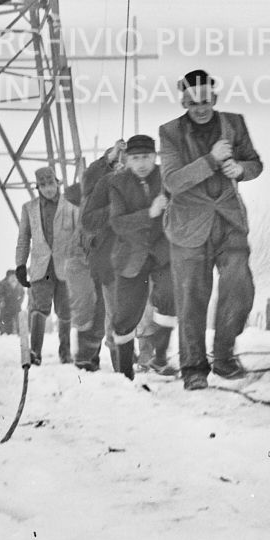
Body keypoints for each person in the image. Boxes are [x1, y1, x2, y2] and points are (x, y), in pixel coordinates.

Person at [158, 69, 263, 391]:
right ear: (184, 102)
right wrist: (212, 160)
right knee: (191, 297)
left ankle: (224, 356)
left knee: (239, 283)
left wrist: (241, 169)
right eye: (193, 103)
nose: (201, 108)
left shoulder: (234, 123)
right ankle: (193, 369)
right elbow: (172, 181)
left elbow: (255, 163)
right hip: (188, 225)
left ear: (214, 98)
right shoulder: (170, 132)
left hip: (229, 220)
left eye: (205, 101)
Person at [107, 134, 178, 380]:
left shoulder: (167, 176)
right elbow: (117, 223)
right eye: (135, 158)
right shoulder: (118, 183)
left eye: (146, 157)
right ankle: (125, 373)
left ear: (155, 156)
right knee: (125, 317)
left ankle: (160, 358)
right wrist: (150, 213)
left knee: (170, 297)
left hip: (162, 253)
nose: (141, 163)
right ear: (127, 159)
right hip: (130, 257)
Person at [15, 166, 78, 365]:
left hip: (66, 267)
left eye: (51, 183)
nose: (48, 188)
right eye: (43, 185)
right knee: (39, 308)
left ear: (57, 183)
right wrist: (20, 265)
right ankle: (35, 352)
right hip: (41, 268)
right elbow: (23, 238)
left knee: (65, 310)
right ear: (38, 188)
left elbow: (80, 235)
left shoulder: (70, 206)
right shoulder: (29, 208)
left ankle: (65, 352)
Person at [77, 140, 128, 372]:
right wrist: (109, 157)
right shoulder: (97, 188)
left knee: (118, 310)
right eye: (115, 164)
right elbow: (88, 179)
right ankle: (91, 357)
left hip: (126, 258)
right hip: (100, 258)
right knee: (99, 310)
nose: (120, 167)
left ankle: (124, 357)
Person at [0, 268, 24, 335]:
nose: (13, 277)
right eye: (12, 275)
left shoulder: (18, 283)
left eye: (14, 275)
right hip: (6, 306)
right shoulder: (3, 283)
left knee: (19, 320)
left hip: (16, 305)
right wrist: (1, 301)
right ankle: (5, 334)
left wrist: (20, 301)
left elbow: (22, 293)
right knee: (6, 322)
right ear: (8, 276)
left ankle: (19, 334)